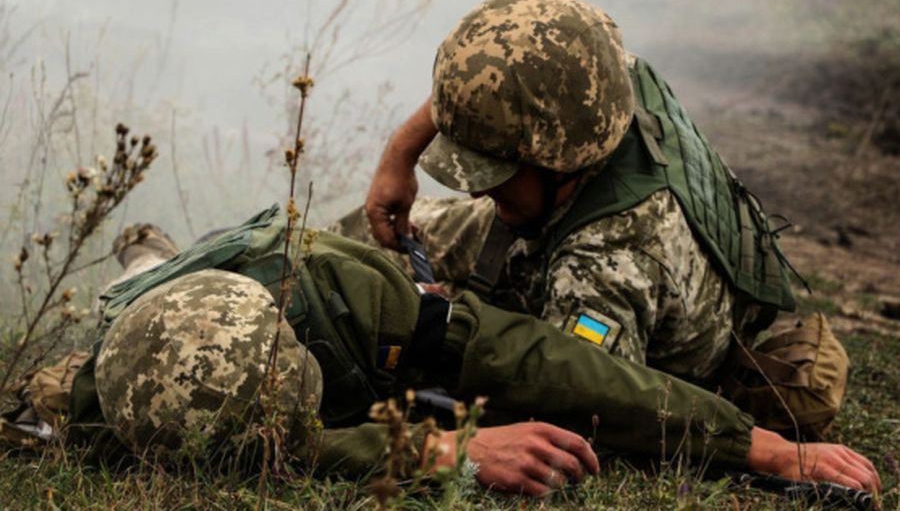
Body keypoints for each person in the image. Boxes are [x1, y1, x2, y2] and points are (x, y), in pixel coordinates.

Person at [52, 208, 879, 496]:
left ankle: (151, 244)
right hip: (149, 327)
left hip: (293, 285)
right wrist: (436, 450)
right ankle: (145, 251)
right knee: (139, 279)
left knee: (163, 257)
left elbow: (538, 360)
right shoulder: (104, 410)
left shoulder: (346, 292)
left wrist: (752, 444)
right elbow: (286, 450)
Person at [342, 0, 845, 438]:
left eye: (494, 172)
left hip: (620, 311)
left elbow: (578, 404)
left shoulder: (608, 263)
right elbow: (494, 80)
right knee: (357, 245)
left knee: (388, 313)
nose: (477, 193)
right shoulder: (593, 80)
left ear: (557, 155)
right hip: (557, 215)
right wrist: (400, 156)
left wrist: (439, 335)